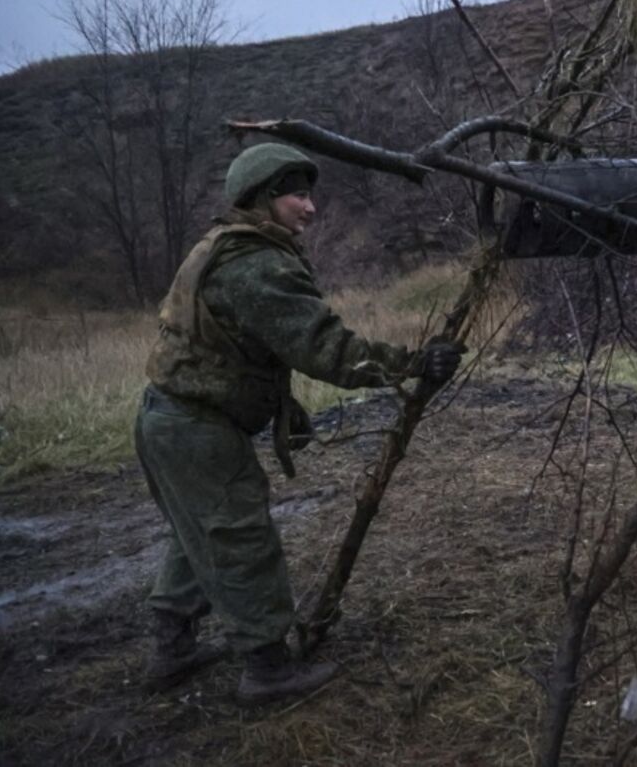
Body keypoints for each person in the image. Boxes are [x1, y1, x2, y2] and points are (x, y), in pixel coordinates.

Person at [135, 142, 462, 702]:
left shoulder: (226, 248)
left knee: (200, 534)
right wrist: (413, 364)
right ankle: (267, 670)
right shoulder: (255, 265)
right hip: (194, 428)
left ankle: (173, 649)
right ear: (262, 200)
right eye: (297, 195)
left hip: (169, 420)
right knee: (240, 539)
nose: (310, 208)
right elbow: (326, 349)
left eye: (309, 194)